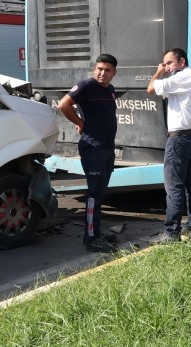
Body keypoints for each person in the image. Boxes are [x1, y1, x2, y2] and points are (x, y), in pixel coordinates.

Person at [57, 54, 119, 253]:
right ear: (95, 69)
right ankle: (91, 239)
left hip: (107, 148)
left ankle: (97, 233)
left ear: (113, 73)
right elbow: (63, 104)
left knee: (101, 193)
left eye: (107, 70)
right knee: (94, 193)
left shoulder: (110, 90)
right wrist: (80, 123)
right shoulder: (85, 86)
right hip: (93, 148)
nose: (102, 73)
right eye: (100, 69)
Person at [147, 48, 191, 243]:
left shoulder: (183, 78)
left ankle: (171, 233)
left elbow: (150, 89)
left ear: (182, 62)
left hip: (179, 140)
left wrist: (158, 72)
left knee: (174, 186)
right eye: (164, 64)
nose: (166, 67)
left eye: (169, 63)